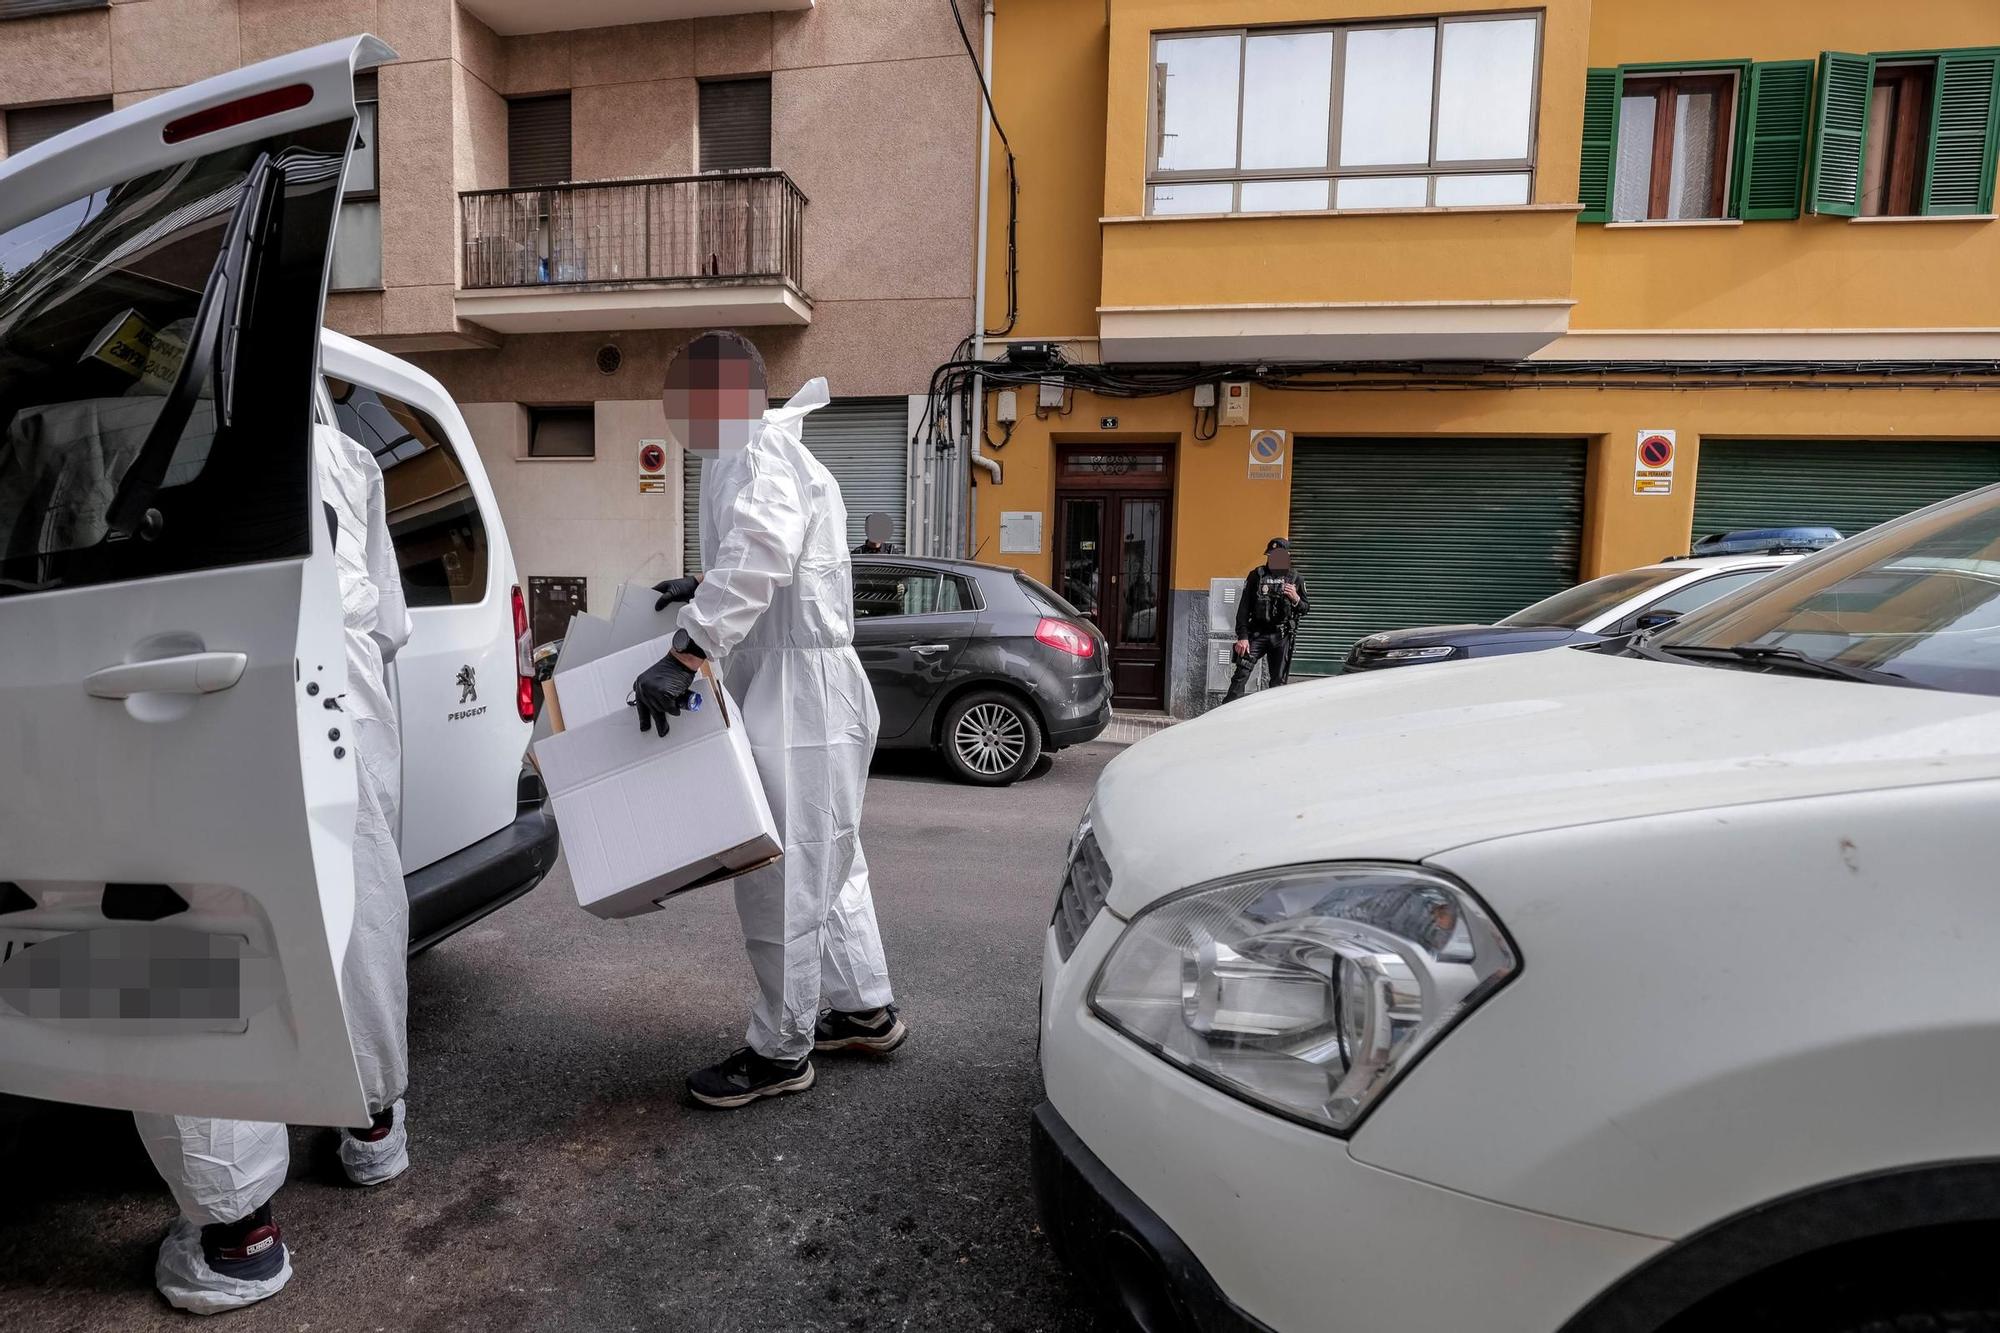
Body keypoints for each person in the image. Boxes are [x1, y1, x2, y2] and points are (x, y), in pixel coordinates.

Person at [132, 407, 414, 1314]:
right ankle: (372, 1124)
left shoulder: (128, 413)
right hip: (346, 681)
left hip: (187, 676)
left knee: (189, 929)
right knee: (354, 901)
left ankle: (237, 1230)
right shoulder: (348, 448)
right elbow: (393, 622)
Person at [635, 330, 903, 1110]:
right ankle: (862, 1007)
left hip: (794, 687)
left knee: (781, 870)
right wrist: (704, 577)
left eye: (687, 393)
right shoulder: (773, 448)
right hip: (811, 680)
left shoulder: (753, 448)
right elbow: (778, 553)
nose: (678, 411)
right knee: (831, 857)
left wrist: (689, 649)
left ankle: (781, 1051)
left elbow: (762, 546)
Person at [1223, 536, 1309, 703]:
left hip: (1281, 636)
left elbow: (1306, 608)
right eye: (1271, 556)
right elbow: (1243, 609)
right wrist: (1242, 637)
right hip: (1257, 633)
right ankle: (1226, 711)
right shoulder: (1256, 575)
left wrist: (1296, 598)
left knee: (1278, 683)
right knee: (1241, 673)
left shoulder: (1296, 578)